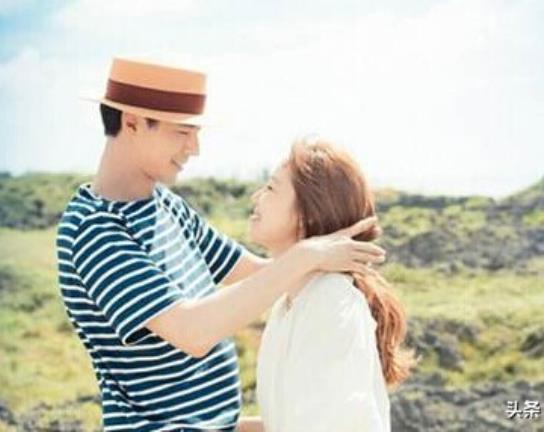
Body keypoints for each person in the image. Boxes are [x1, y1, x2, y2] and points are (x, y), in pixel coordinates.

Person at [55, 58, 385, 431]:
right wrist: (309, 254)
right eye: (183, 132)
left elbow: (256, 273)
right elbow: (192, 331)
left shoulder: (166, 206)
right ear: (132, 123)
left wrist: (331, 256)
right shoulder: (95, 230)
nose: (194, 148)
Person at [248, 138, 415, 432]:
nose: (256, 197)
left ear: (308, 215)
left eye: (271, 188)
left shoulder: (331, 301)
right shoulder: (289, 303)